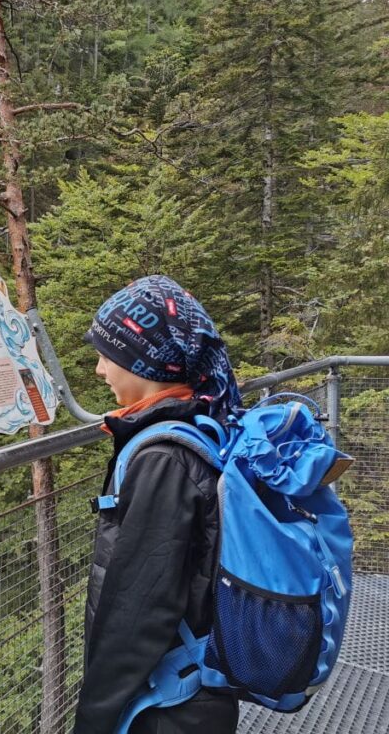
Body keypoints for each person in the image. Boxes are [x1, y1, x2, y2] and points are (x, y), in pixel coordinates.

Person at [73, 275, 241, 734]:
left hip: (169, 704)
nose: (99, 370)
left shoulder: (163, 459)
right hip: (195, 688)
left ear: (143, 362)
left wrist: (94, 719)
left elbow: (138, 608)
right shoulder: (198, 424)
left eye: (107, 355)